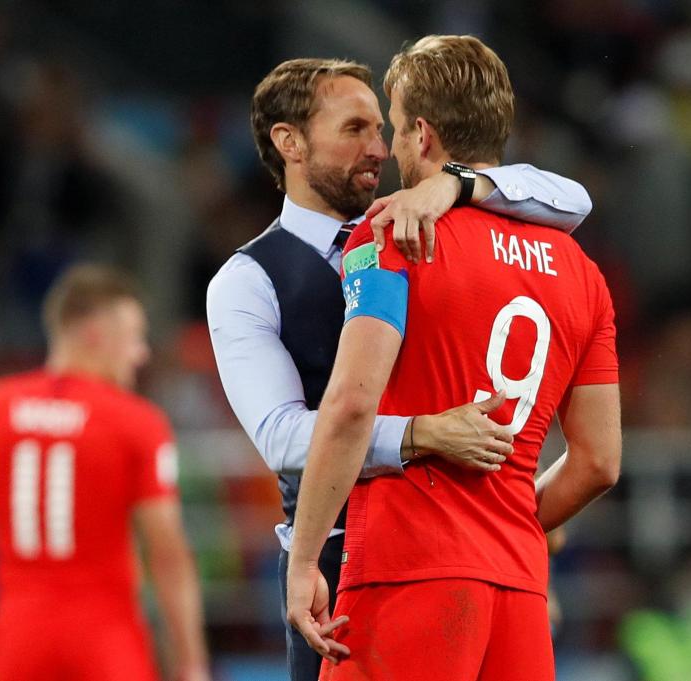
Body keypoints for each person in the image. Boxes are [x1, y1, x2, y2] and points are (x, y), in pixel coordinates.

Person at [206, 55, 593, 681]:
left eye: (381, 130)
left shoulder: (415, 223)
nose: (379, 149)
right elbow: (280, 437)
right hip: (333, 557)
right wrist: (418, 435)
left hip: (446, 545)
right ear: (289, 142)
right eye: (354, 129)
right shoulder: (246, 282)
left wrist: (454, 183)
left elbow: (571, 198)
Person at [0, 264, 210, 681]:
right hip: (105, 637)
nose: (142, 353)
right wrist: (191, 663)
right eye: (134, 337)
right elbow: (167, 553)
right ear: (94, 334)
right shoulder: (136, 421)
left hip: (16, 635)